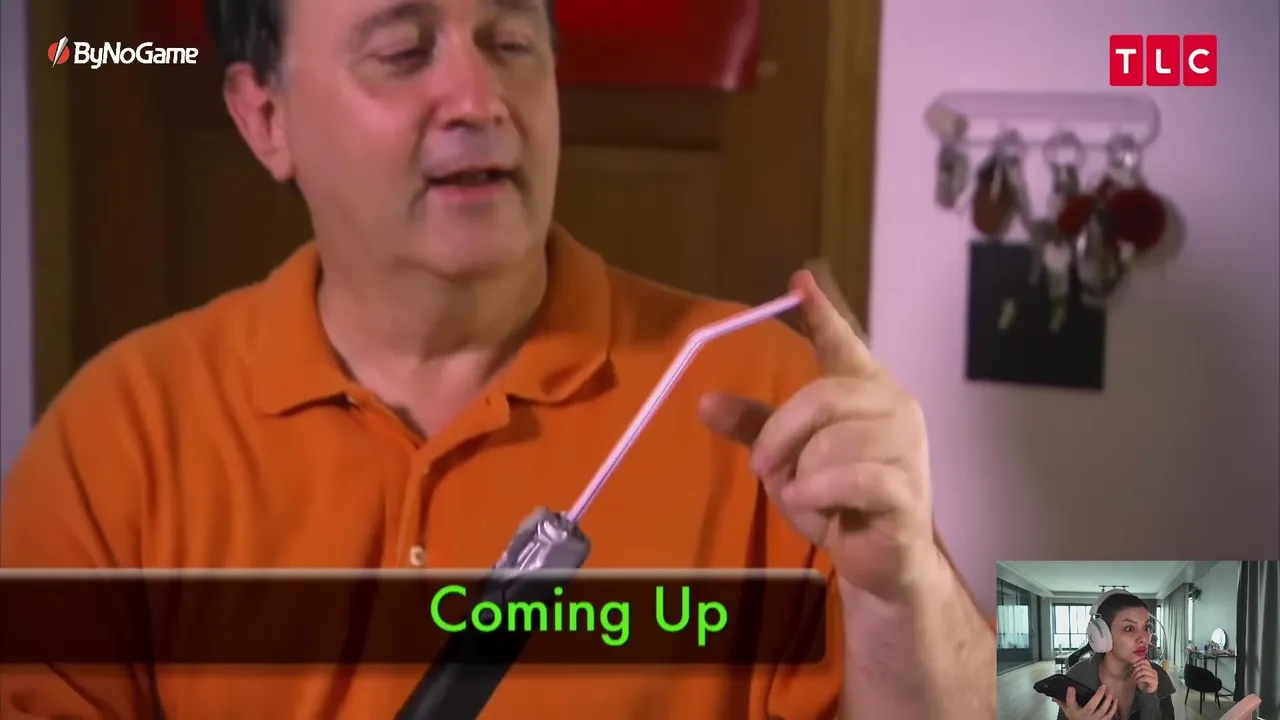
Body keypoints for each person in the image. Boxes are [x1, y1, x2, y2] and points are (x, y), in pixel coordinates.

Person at [0, 0, 995, 717]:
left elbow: (1015, 703)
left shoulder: (769, 405)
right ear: (266, 118)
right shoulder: (116, 434)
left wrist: (900, 596)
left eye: (511, 43)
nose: (479, 100)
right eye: (403, 51)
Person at [1055, 591, 1175, 720]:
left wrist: (1150, 696)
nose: (1144, 639)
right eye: (1129, 628)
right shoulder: (1077, 677)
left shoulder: (1157, 675)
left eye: (1146, 627)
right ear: (1102, 635)